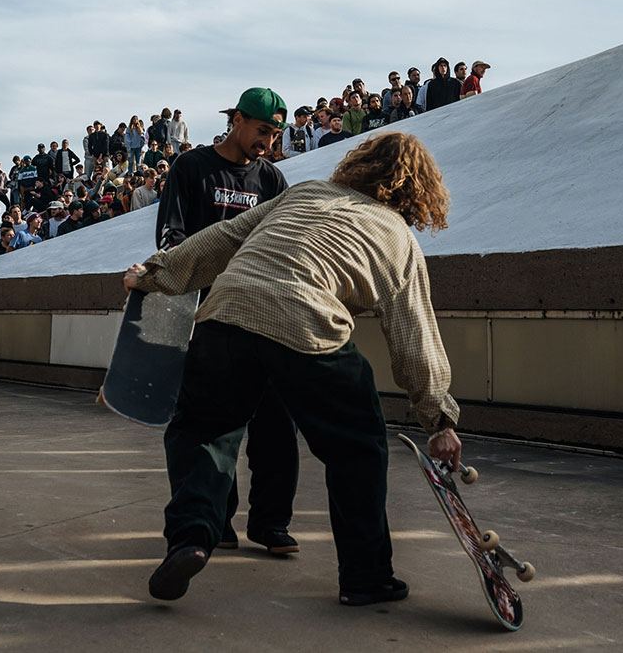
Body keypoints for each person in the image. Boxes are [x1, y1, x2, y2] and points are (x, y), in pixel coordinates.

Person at [125, 132, 460, 606]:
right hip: (308, 324)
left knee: (202, 429)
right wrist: (439, 419)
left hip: (228, 312)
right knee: (357, 448)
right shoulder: (399, 239)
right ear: (418, 191)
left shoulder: (304, 192)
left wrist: (153, 275)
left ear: (357, 165)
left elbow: (224, 237)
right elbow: (414, 339)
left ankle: (192, 537)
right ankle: (366, 577)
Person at [154, 87, 299, 556]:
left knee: (276, 424)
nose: (268, 142)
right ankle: (218, 520)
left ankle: (271, 523)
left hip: (263, 315)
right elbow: (172, 235)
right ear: (236, 120)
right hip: (209, 317)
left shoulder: (273, 180)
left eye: (275, 134)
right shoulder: (192, 167)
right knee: (217, 426)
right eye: (262, 131)